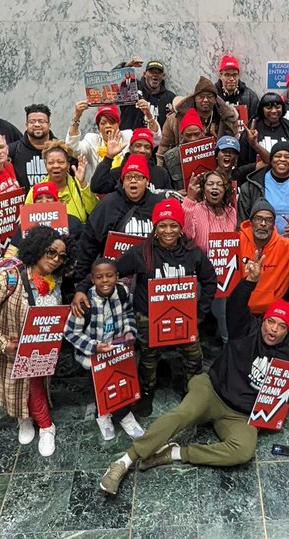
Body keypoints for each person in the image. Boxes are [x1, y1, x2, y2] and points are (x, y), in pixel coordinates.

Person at [98, 258, 289, 495]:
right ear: (263, 320)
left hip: (242, 413)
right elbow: (235, 304)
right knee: (181, 415)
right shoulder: (246, 328)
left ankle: (173, 453)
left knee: (242, 452)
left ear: (288, 331)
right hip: (213, 390)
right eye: (271, 322)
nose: (273, 330)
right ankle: (122, 462)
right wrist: (248, 282)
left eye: (281, 326)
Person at [76, 199, 215, 417]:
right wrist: (82, 288)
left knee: (194, 357)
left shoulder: (193, 252)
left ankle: (192, 390)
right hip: (149, 318)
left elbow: (210, 281)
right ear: (155, 228)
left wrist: (200, 313)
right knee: (149, 359)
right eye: (162, 225)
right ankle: (147, 390)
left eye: (173, 225)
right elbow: (110, 270)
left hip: (183, 319)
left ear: (181, 228)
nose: (168, 231)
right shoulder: (141, 252)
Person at [0, 225, 74, 457]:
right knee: (20, 387)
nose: (56, 259)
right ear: (37, 249)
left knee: (33, 385)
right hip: (9, 347)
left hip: (38, 348)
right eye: (51, 252)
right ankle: (38, 424)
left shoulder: (54, 280)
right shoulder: (7, 278)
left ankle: (39, 423)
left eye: (61, 256)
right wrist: (2, 342)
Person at [65, 257, 143, 440]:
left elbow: (128, 314)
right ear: (92, 279)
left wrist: (129, 332)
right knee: (99, 387)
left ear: (117, 277)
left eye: (109, 276)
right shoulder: (84, 302)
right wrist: (94, 347)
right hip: (93, 355)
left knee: (120, 383)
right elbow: (70, 332)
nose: (105, 281)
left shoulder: (122, 293)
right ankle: (103, 415)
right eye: (99, 277)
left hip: (117, 352)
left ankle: (124, 416)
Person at [72, 154, 164, 282]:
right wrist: (80, 282)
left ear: (146, 181)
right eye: (128, 177)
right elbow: (89, 245)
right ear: (123, 181)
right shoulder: (108, 205)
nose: (133, 181)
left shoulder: (159, 204)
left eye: (138, 177)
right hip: (113, 280)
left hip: (150, 278)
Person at [182, 169, 239, 344]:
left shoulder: (232, 212)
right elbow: (186, 235)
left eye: (219, 184)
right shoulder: (195, 209)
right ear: (204, 188)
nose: (215, 188)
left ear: (226, 189)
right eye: (210, 184)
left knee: (227, 307)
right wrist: (190, 199)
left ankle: (229, 346)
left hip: (227, 275)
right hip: (200, 274)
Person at [237, 199, 289, 315]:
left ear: (273, 224)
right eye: (258, 218)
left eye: (268, 220)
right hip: (240, 309)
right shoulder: (236, 241)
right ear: (250, 222)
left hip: (272, 313)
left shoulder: (287, 246)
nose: (263, 223)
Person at [159, 77, 240, 155]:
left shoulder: (228, 119)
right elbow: (164, 148)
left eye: (210, 97)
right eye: (201, 97)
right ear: (194, 99)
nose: (205, 100)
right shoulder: (175, 119)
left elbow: (235, 147)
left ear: (216, 99)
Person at [23, 142, 98, 225]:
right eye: (51, 163)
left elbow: (95, 212)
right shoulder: (36, 190)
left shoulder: (79, 185)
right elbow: (27, 222)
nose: (56, 166)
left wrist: (82, 183)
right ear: (45, 166)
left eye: (61, 162)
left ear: (68, 165)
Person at [91, 128, 175, 194]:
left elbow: (168, 197)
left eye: (147, 147)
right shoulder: (118, 173)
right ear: (130, 149)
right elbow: (97, 186)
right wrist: (109, 157)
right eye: (138, 146)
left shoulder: (161, 173)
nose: (142, 150)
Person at [68, 103, 134, 186]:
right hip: (100, 190)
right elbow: (72, 149)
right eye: (103, 123)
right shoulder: (92, 140)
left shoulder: (128, 136)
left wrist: (149, 116)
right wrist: (76, 117)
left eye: (112, 122)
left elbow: (152, 142)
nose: (108, 126)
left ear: (118, 124)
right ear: (98, 127)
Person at [245, 92, 289, 173]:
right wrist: (255, 167)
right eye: (269, 107)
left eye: (278, 107)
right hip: (257, 179)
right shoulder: (252, 128)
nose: (274, 111)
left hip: (288, 179)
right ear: (261, 109)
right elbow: (240, 167)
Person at [162, 110, 220, 188]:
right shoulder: (170, 158)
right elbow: (166, 187)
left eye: (196, 134)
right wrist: (176, 193)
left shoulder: (214, 150)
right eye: (188, 135)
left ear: (202, 132)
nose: (193, 139)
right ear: (182, 135)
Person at [117, 59, 176, 131]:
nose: (155, 75)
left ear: (163, 76)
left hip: (157, 140)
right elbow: (111, 81)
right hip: (130, 138)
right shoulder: (132, 88)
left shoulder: (170, 98)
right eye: (151, 72)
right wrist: (126, 65)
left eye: (158, 73)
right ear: (144, 74)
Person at [9, 104, 58, 188]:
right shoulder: (12, 150)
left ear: (49, 125)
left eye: (41, 121)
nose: (37, 125)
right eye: (32, 122)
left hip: (56, 200)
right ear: (26, 125)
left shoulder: (60, 148)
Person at [215, 54, 260, 121]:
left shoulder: (251, 97)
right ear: (221, 75)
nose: (231, 79)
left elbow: (255, 120)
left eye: (234, 75)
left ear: (238, 75)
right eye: (227, 75)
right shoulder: (212, 96)